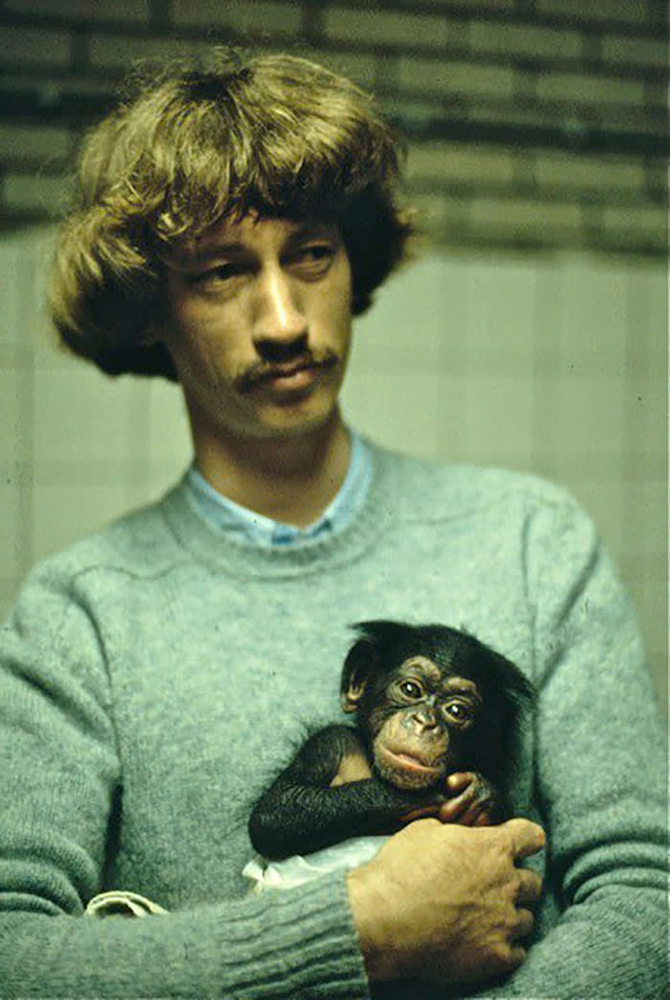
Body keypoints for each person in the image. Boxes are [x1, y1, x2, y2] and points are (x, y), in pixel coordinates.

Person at [0, 50, 665, 1000]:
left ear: (351, 264)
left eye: (310, 253)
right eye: (225, 271)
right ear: (153, 310)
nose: (283, 319)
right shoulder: (80, 616)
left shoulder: (532, 540)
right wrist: (353, 936)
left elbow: (645, 892)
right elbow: (12, 955)